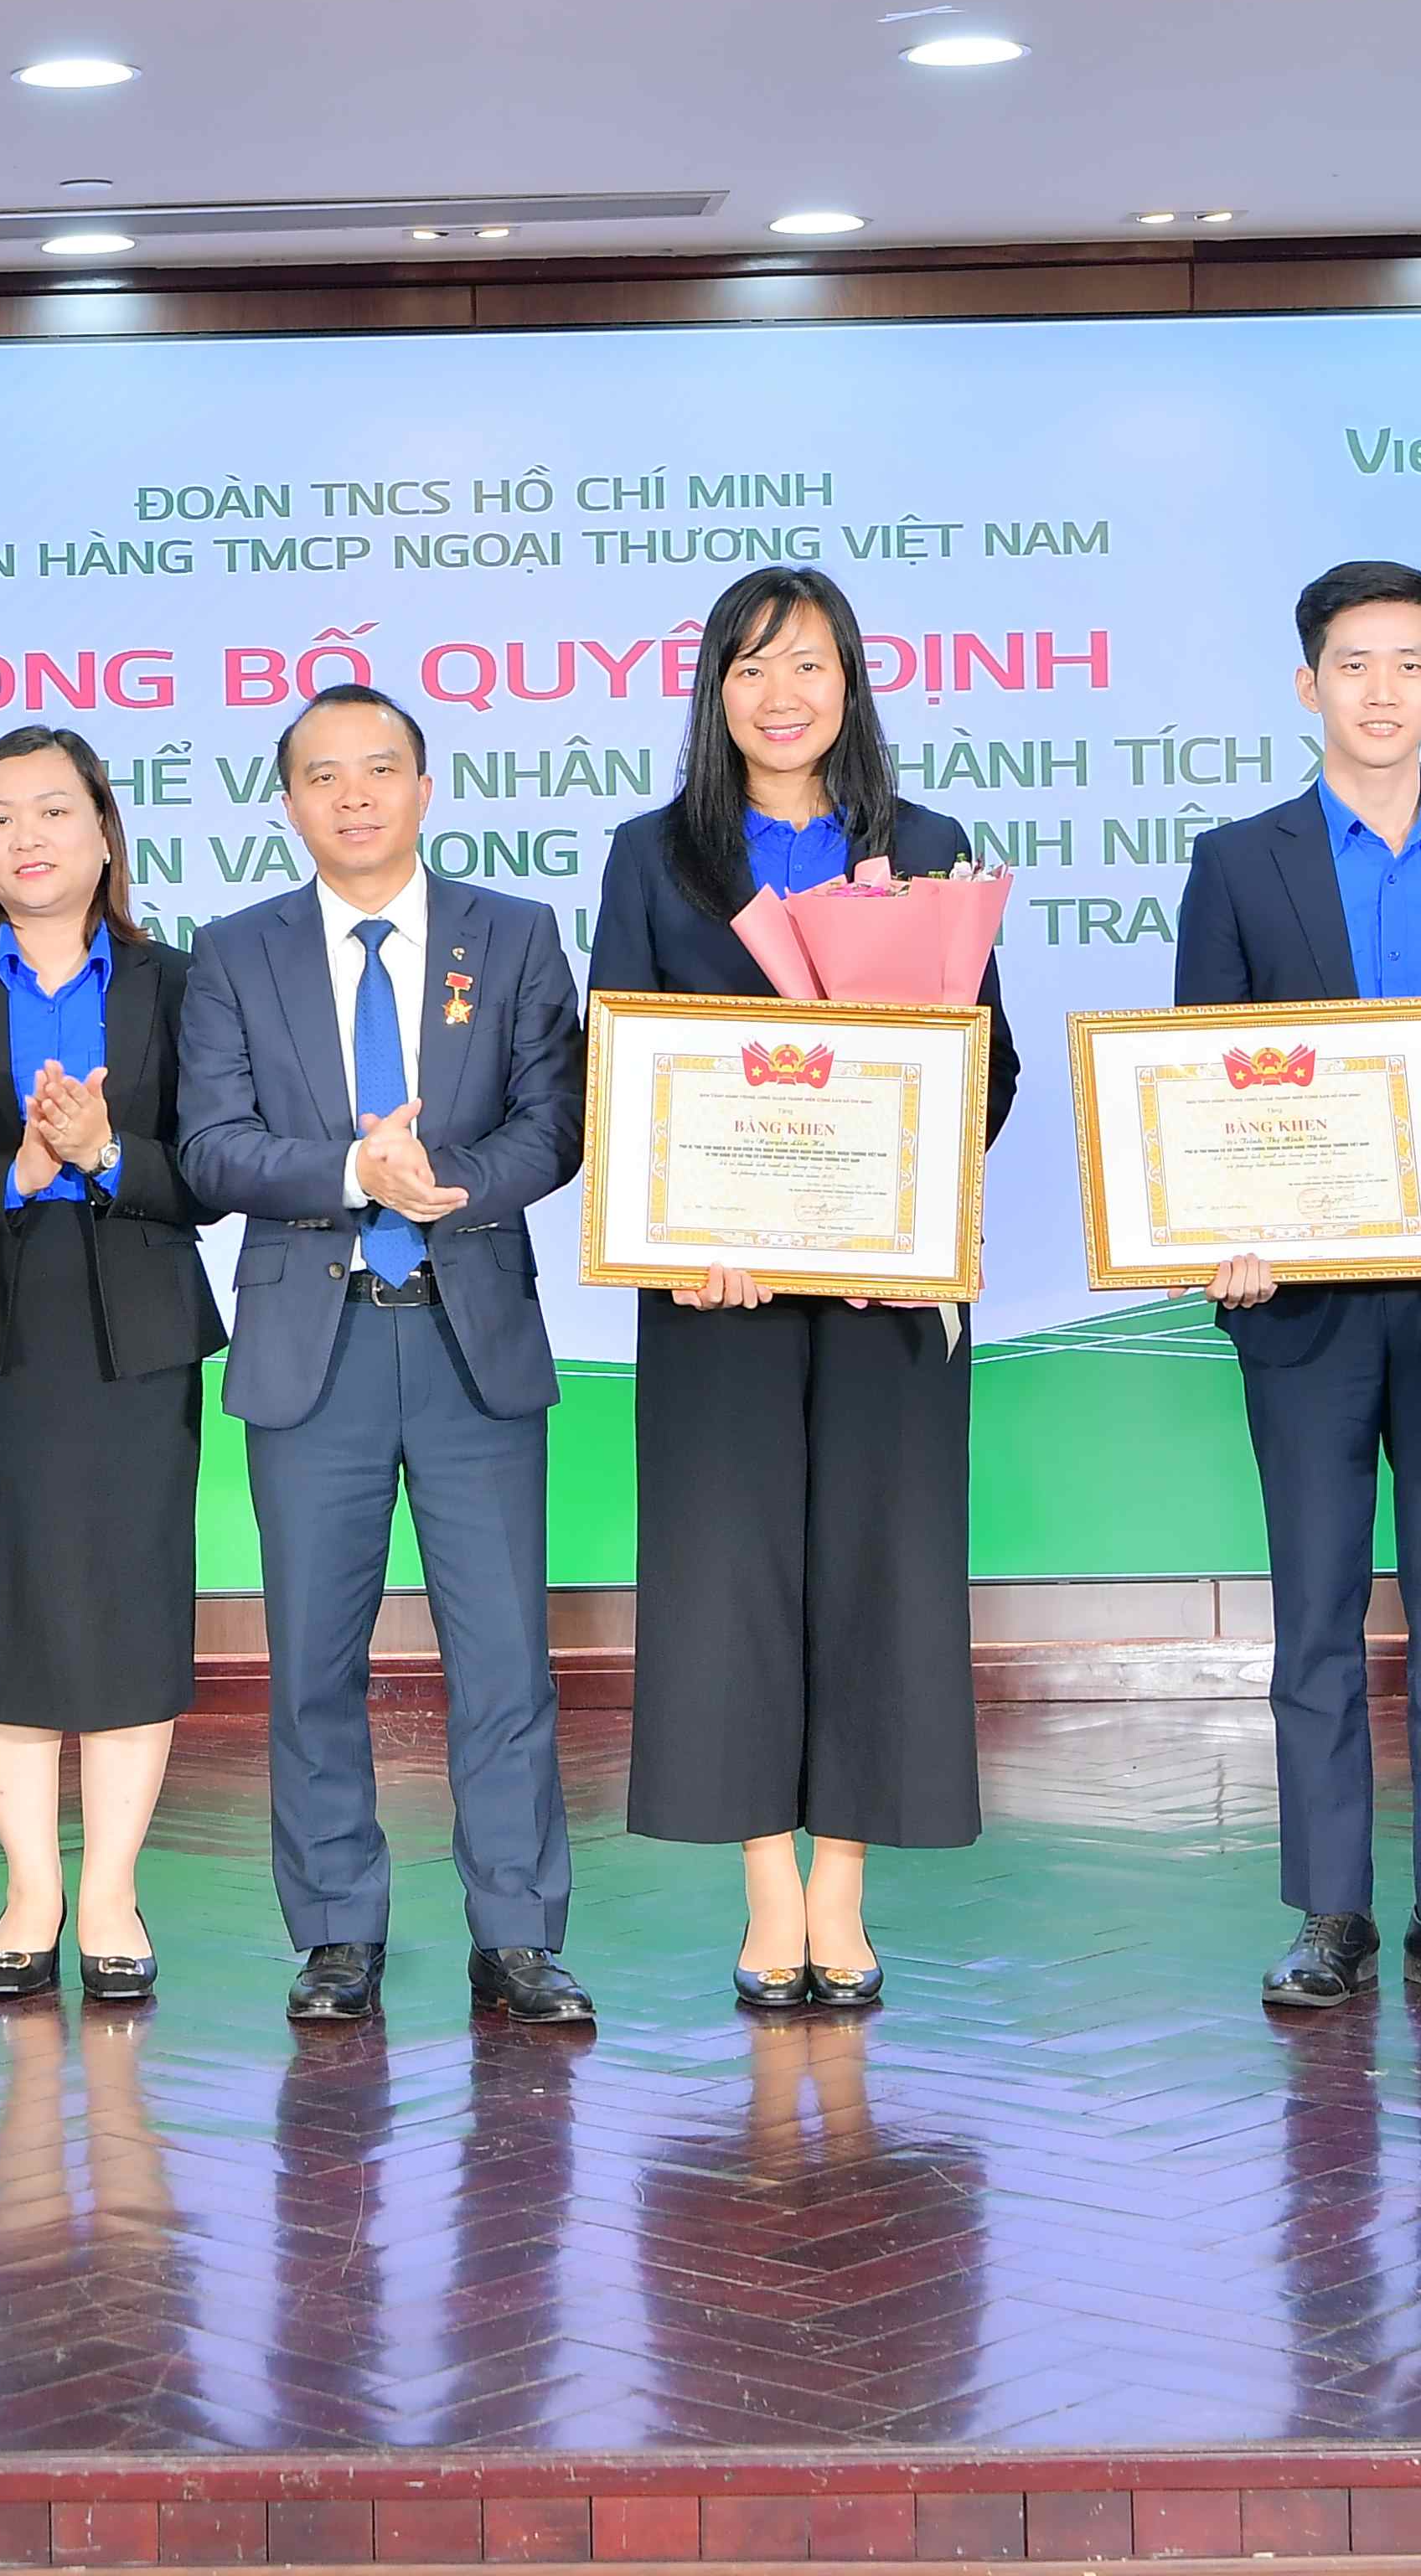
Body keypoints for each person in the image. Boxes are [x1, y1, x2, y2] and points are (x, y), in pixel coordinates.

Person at [590, 567, 1021, 2010]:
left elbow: (989, 1065)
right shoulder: (653, 856)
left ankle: (844, 1892)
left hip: (889, 1294)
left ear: (852, 684)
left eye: (811, 665)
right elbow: (620, 1070)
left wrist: (913, 1191)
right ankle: (769, 1896)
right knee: (731, 1575)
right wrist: (682, 1230)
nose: (783, 696)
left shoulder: (929, 847)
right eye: (753, 668)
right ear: (715, 690)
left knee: (881, 1571)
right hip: (717, 1293)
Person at [1176, 560, 1421, 2018]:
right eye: (1354, 664)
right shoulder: (1240, 861)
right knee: (1317, 1611)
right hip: (1301, 1303)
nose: (1383, 690)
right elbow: (1201, 1079)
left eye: (1409, 663)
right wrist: (1220, 1228)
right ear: (1309, 686)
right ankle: (1331, 1911)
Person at [176, 682, 592, 2028]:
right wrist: (355, 1172)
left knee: (505, 1657)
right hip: (317, 1343)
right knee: (312, 1661)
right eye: (323, 774)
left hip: (474, 1338)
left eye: (379, 769)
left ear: (424, 788)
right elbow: (211, 1147)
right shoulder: (234, 952)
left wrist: (445, 1185)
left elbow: (556, 1121)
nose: (353, 795)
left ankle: (517, 1933)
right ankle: (336, 1929)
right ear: (289, 802)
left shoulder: (512, 935)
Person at [0, 725, 226, 2003]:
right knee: (4, 1602)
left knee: (133, 1603)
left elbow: (216, 1170)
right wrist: (16, 1171)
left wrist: (108, 1153)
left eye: (53, 811)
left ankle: (113, 1890)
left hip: (135, 1329)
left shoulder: (180, 982)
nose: (26, 837)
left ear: (104, 832)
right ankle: (30, 1888)